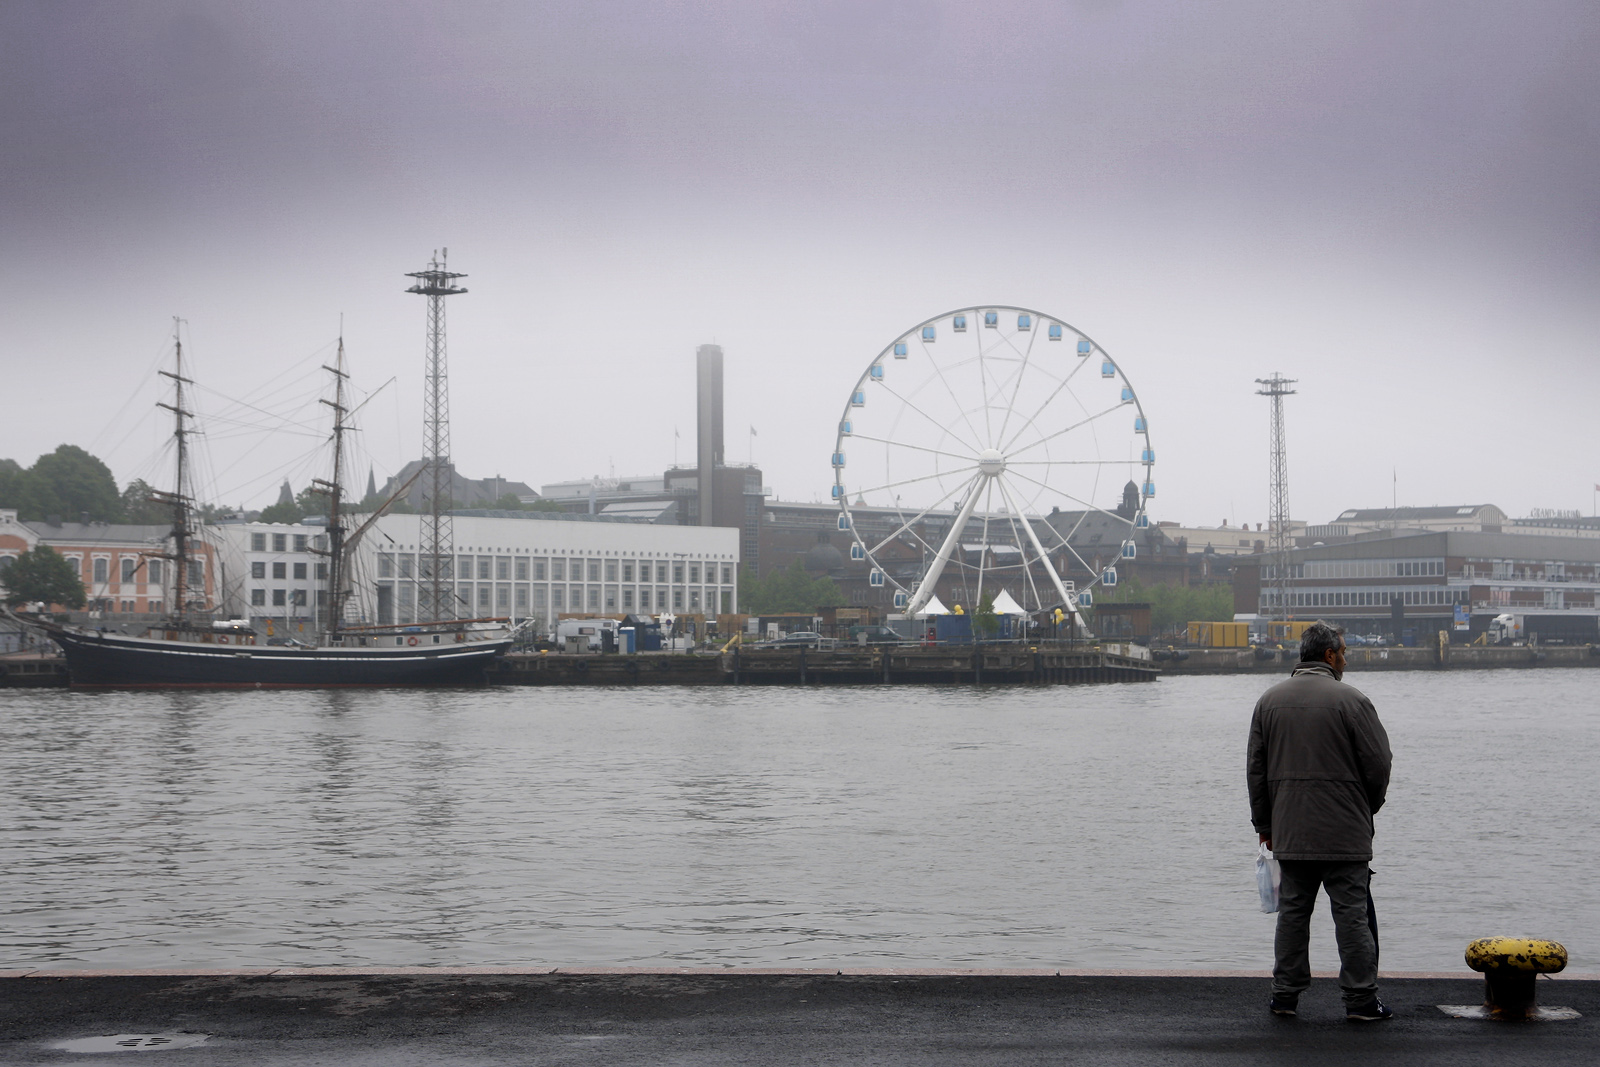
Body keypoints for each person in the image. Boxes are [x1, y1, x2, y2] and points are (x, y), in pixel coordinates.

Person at [1247, 621, 1393, 1021]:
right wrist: (1368, 806)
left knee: (1293, 912)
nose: (1345, 660)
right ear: (1329, 655)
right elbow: (1380, 765)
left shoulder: (1268, 702)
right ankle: (1361, 1000)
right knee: (1351, 915)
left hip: (1290, 830)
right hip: (1345, 831)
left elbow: (1255, 771)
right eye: (1343, 652)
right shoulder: (1353, 701)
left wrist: (1266, 825)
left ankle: (1284, 997)